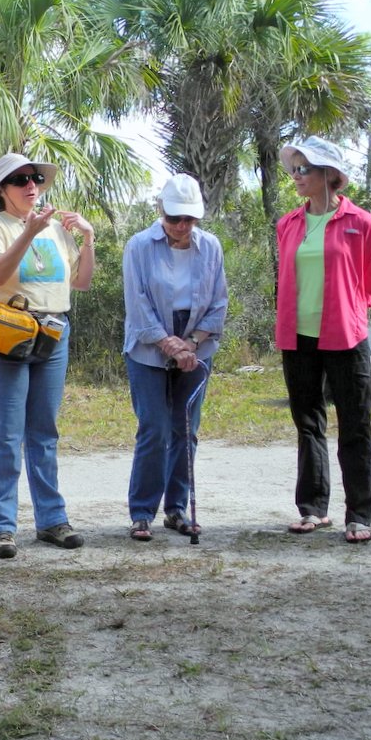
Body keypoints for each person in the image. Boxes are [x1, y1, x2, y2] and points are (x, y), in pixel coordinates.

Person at [0, 153, 96, 558]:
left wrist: (88, 239)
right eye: (20, 179)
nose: (31, 185)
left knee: (44, 433)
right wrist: (28, 232)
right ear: (1, 191)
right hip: (7, 335)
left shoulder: (58, 230)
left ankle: (52, 520)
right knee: (5, 435)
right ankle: (2, 527)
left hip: (53, 334)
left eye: (36, 178)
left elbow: (82, 283)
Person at [276, 137, 371, 543]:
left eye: (305, 169)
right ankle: (312, 508)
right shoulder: (288, 223)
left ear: (329, 175)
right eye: (295, 169)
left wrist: (349, 309)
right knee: (308, 423)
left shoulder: (362, 223)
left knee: (355, 425)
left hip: (345, 335)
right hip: (297, 335)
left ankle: (359, 514)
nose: (297, 176)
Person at [122, 174, 228, 542]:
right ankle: (141, 512)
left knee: (186, 429)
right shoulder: (138, 246)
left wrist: (193, 344)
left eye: (189, 219)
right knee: (153, 428)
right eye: (174, 218)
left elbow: (219, 303)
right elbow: (137, 306)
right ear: (160, 212)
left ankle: (177, 509)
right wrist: (170, 344)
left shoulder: (211, 246)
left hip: (196, 343)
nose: (181, 226)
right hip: (148, 346)